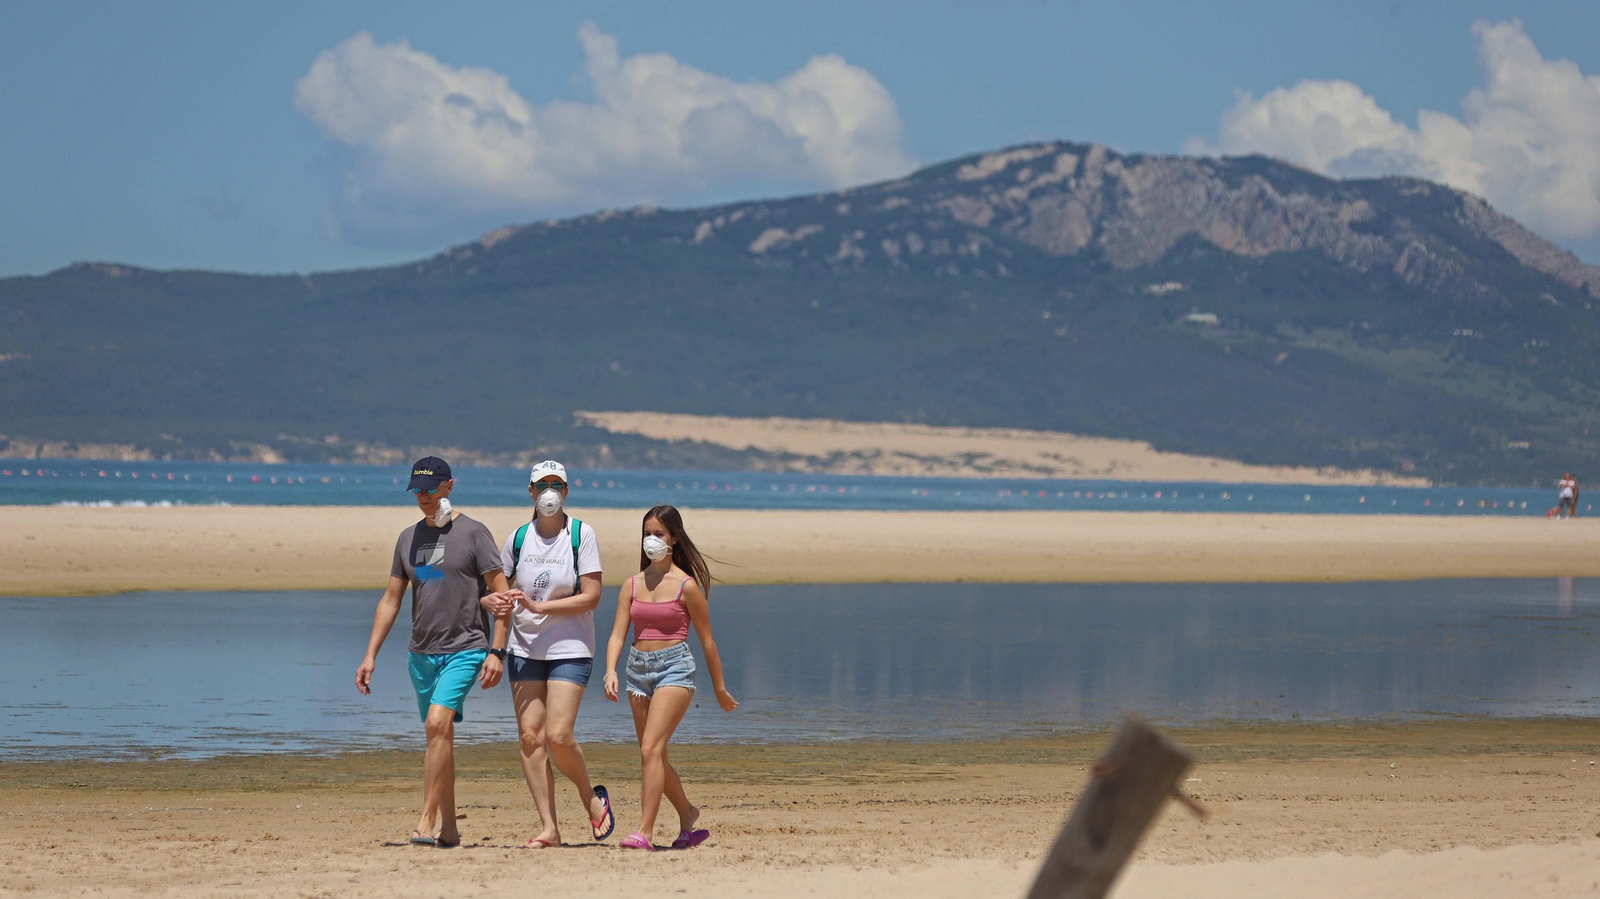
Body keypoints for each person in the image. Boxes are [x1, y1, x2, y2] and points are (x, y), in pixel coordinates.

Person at [356, 456, 511, 848]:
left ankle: (426, 819)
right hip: (421, 654)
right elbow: (391, 600)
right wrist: (370, 654)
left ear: (449, 486)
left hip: (466, 648)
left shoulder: (474, 533)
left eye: (430, 489)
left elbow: (502, 595)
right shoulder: (408, 538)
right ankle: (451, 829)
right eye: (417, 491)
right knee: (439, 738)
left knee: (437, 725)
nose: (423, 496)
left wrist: (497, 651)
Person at [603, 504, 738, 852]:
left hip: (675, 668)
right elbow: (617, 633)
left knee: (650, 749)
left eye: (658, 534)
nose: (651, 540)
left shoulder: (686, 586)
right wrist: (610, 670)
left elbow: (707, 641)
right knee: (655, 757)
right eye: (647, 534)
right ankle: (688, 814)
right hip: (636, 670)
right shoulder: (632, 584)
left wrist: (720, 688)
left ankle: (644, 832)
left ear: (674, 539)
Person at [500, 460, 614, 848]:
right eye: (541, 485)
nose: (548, 492)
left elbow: (592, 596)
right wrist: (495, 627)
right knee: (531, 737)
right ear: (530, 491)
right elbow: (500, 590)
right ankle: (549, 828)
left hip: (571, 646)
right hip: (524, 647)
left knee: (559, 735)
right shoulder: (518, 538)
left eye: (556, 484)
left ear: (566, 492)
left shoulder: (581, 535)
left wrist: (541, 607)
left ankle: (590, 797)